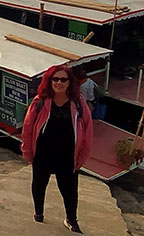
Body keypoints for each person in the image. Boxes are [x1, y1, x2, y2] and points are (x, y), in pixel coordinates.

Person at [21, 65, 94, 233]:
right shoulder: (40, 101)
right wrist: (28, 151)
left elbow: (88, 131)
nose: (59, 83)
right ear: (49, 81)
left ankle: (71, 220)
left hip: (68, 154)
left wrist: (82, 157)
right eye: (55, 79)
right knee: (39, 184)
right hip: (43, 152)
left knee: (69, 190)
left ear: (69, 82)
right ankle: (38, 213)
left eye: (63, 79)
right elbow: (28, 127)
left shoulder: (78, 103)